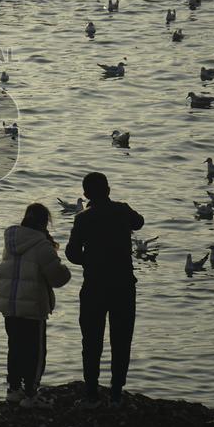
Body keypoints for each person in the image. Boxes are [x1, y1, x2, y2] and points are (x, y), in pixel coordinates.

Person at [65, 172, 144, 408]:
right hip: (123, 286)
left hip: (94, 286)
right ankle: (116, 393)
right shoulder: (122, 210)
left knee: (91, 341)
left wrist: (89, 260)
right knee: (121, 340)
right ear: (108, 190)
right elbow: (139, 222)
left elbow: (72, 253)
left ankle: (91, 393)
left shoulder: (83, 219)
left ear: (86, 194)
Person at [0, 203, 72, 407]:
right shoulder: (41, 245)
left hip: (10, 306)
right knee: (35, 353)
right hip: (32, 308)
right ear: (44, 222)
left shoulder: (10, 241)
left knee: (15, 349)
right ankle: (31, 395)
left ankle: (14, 389)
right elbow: (58, 278)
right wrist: (65, 268)